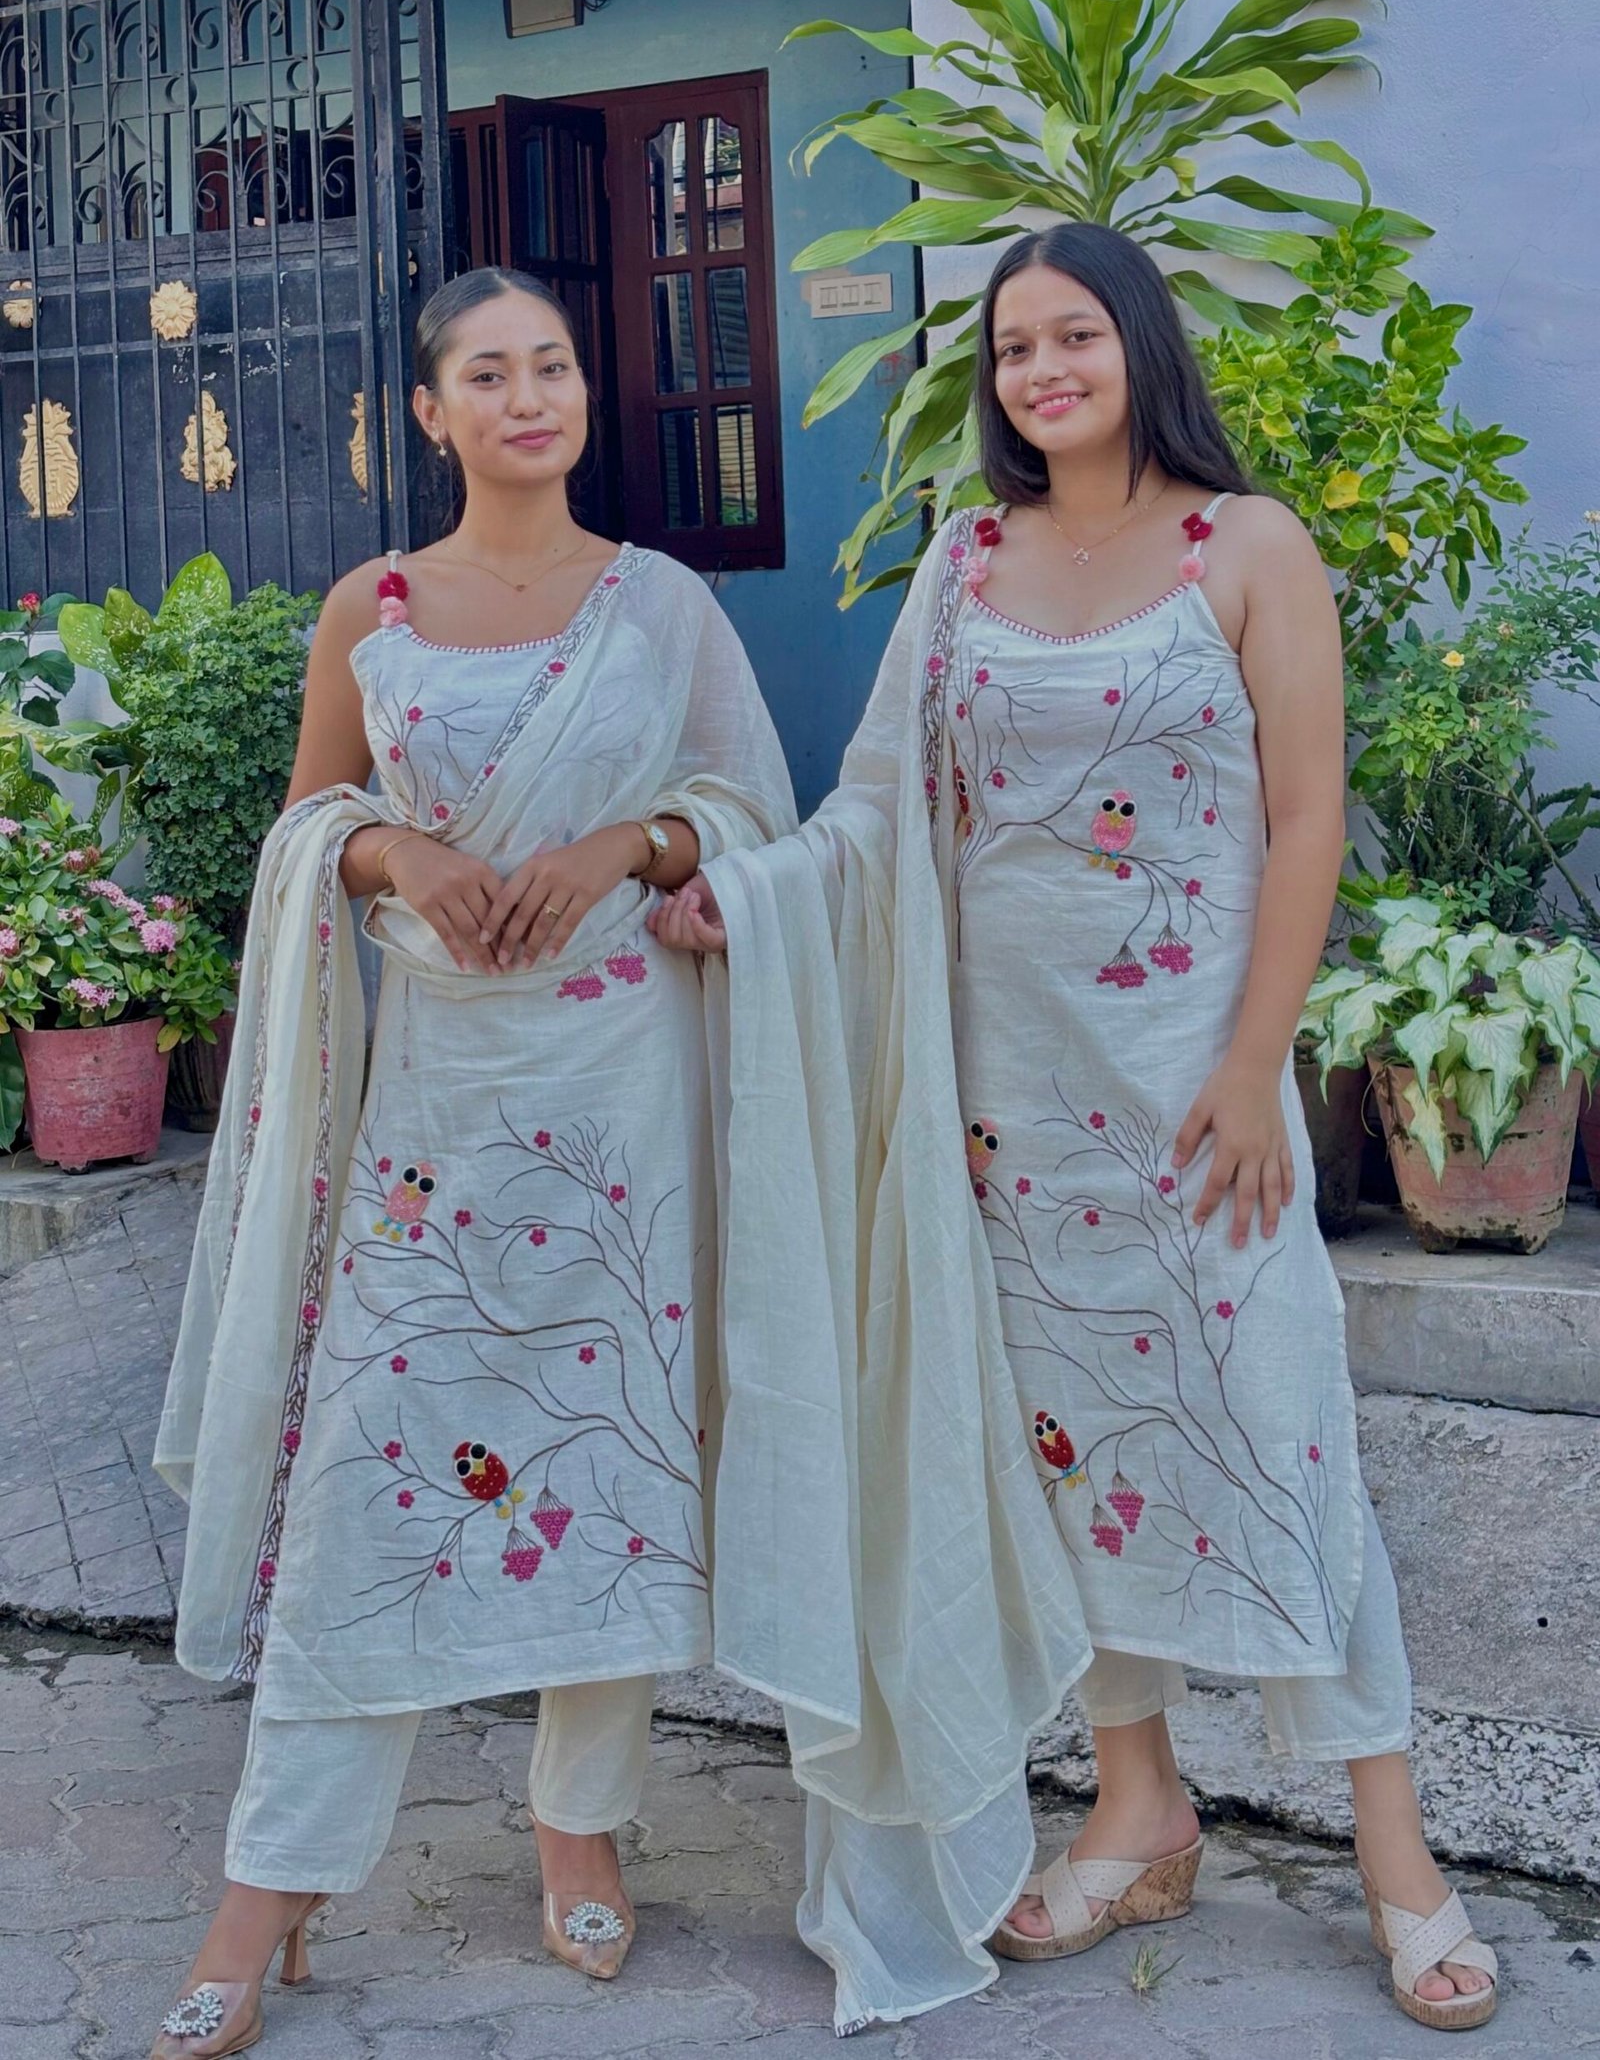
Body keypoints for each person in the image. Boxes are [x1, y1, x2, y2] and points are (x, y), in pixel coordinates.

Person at [652, 222, 1498, 2035]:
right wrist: (757, 895)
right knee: (1070, 1453)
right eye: (1014, 348)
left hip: (1196, 1092)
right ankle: (1139, 1804)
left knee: (1284, 1435)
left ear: (1140, 345)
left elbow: (1307, 814)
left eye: (1074, 337)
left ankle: (1397, 1849)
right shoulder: (968, 559)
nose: (1042, 371)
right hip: (1006, 1107)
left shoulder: (1247, 547)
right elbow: (879, 802)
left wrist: (1256, 1063)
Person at [149, 267, 797, 2057]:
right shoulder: (374, 606)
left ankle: (578, 1820)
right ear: (430, 414)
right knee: (366, 1479)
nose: (532, 396)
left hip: (619, 1098)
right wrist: (394, 856)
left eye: (555, 366)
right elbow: (308, 818)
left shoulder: (661, 605)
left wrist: (625, 846)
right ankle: (268, 1883)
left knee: (612, 1447)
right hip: (435, 1111)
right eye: (491, 374)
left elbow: (755, 807)